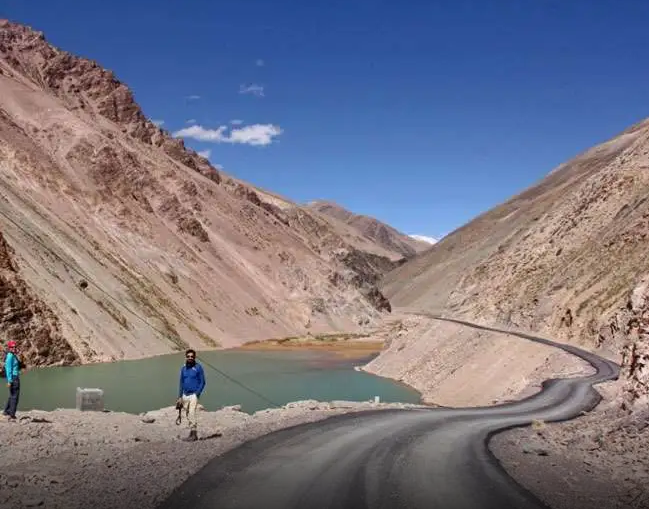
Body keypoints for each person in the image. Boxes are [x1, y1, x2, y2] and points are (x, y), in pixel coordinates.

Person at [176, 348, 206, 441]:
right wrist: (180, 397)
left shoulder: (198, 367)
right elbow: (181, 382)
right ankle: (191, 433)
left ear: (194, 357)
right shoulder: (183, 368)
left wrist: (197, 393)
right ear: (186, 357)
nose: (190, 358)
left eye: (192, 356)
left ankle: (194, 434)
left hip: (193, 394)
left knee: (192, 412)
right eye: (188, 356)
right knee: (188, 413)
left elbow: (203, 382)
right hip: (185, 394)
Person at [3, 340, 21, 421]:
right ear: (9, 348)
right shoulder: (10, 356)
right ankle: (12, 415)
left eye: (15, 347)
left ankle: (6, 411)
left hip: (14, 377)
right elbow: (8, 369)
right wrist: (9, 381)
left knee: (12, 395)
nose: (14, 348)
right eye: (12, 347)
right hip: (14, 378)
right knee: (15, 397)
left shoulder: (12, 355)